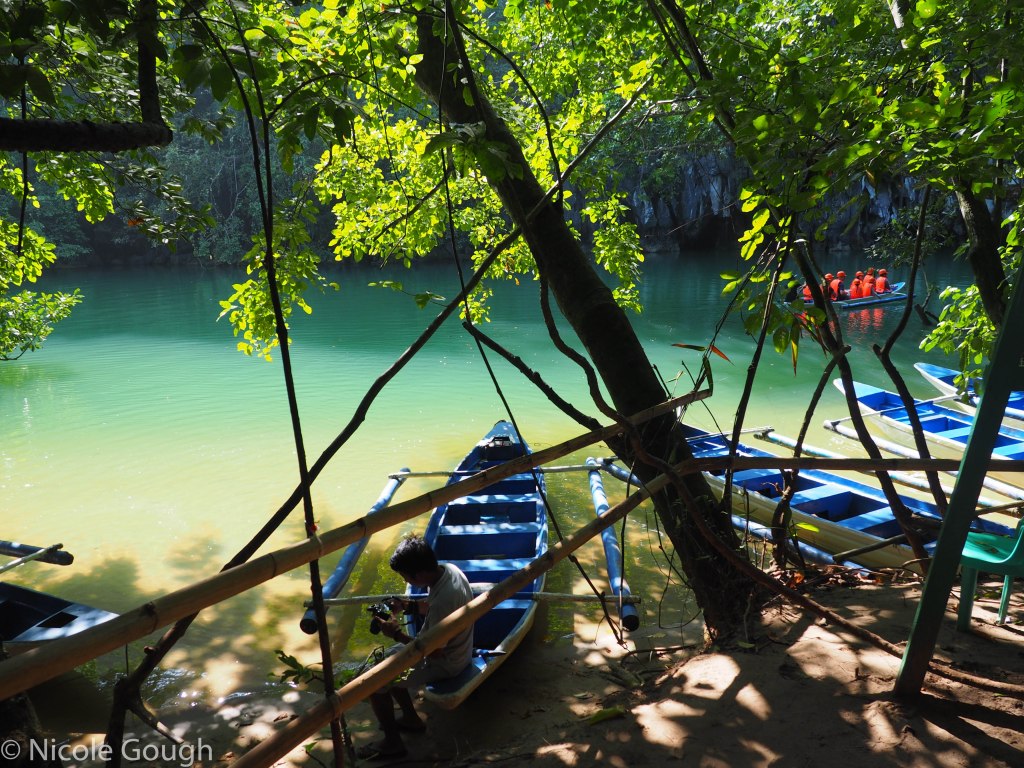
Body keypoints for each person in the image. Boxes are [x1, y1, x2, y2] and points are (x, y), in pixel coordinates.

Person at [357, 535, 475, 760]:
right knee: (387, 661)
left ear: (418, 575)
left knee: (375, 682)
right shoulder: (449, 571)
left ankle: (393, 744)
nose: (405, 580)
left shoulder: (443, 600)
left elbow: (435, 651)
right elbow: (434, 609)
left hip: (446, 662)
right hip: (458, 648)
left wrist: (396, 633)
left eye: (404, 576)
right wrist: (407, 606)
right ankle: (411, 718)